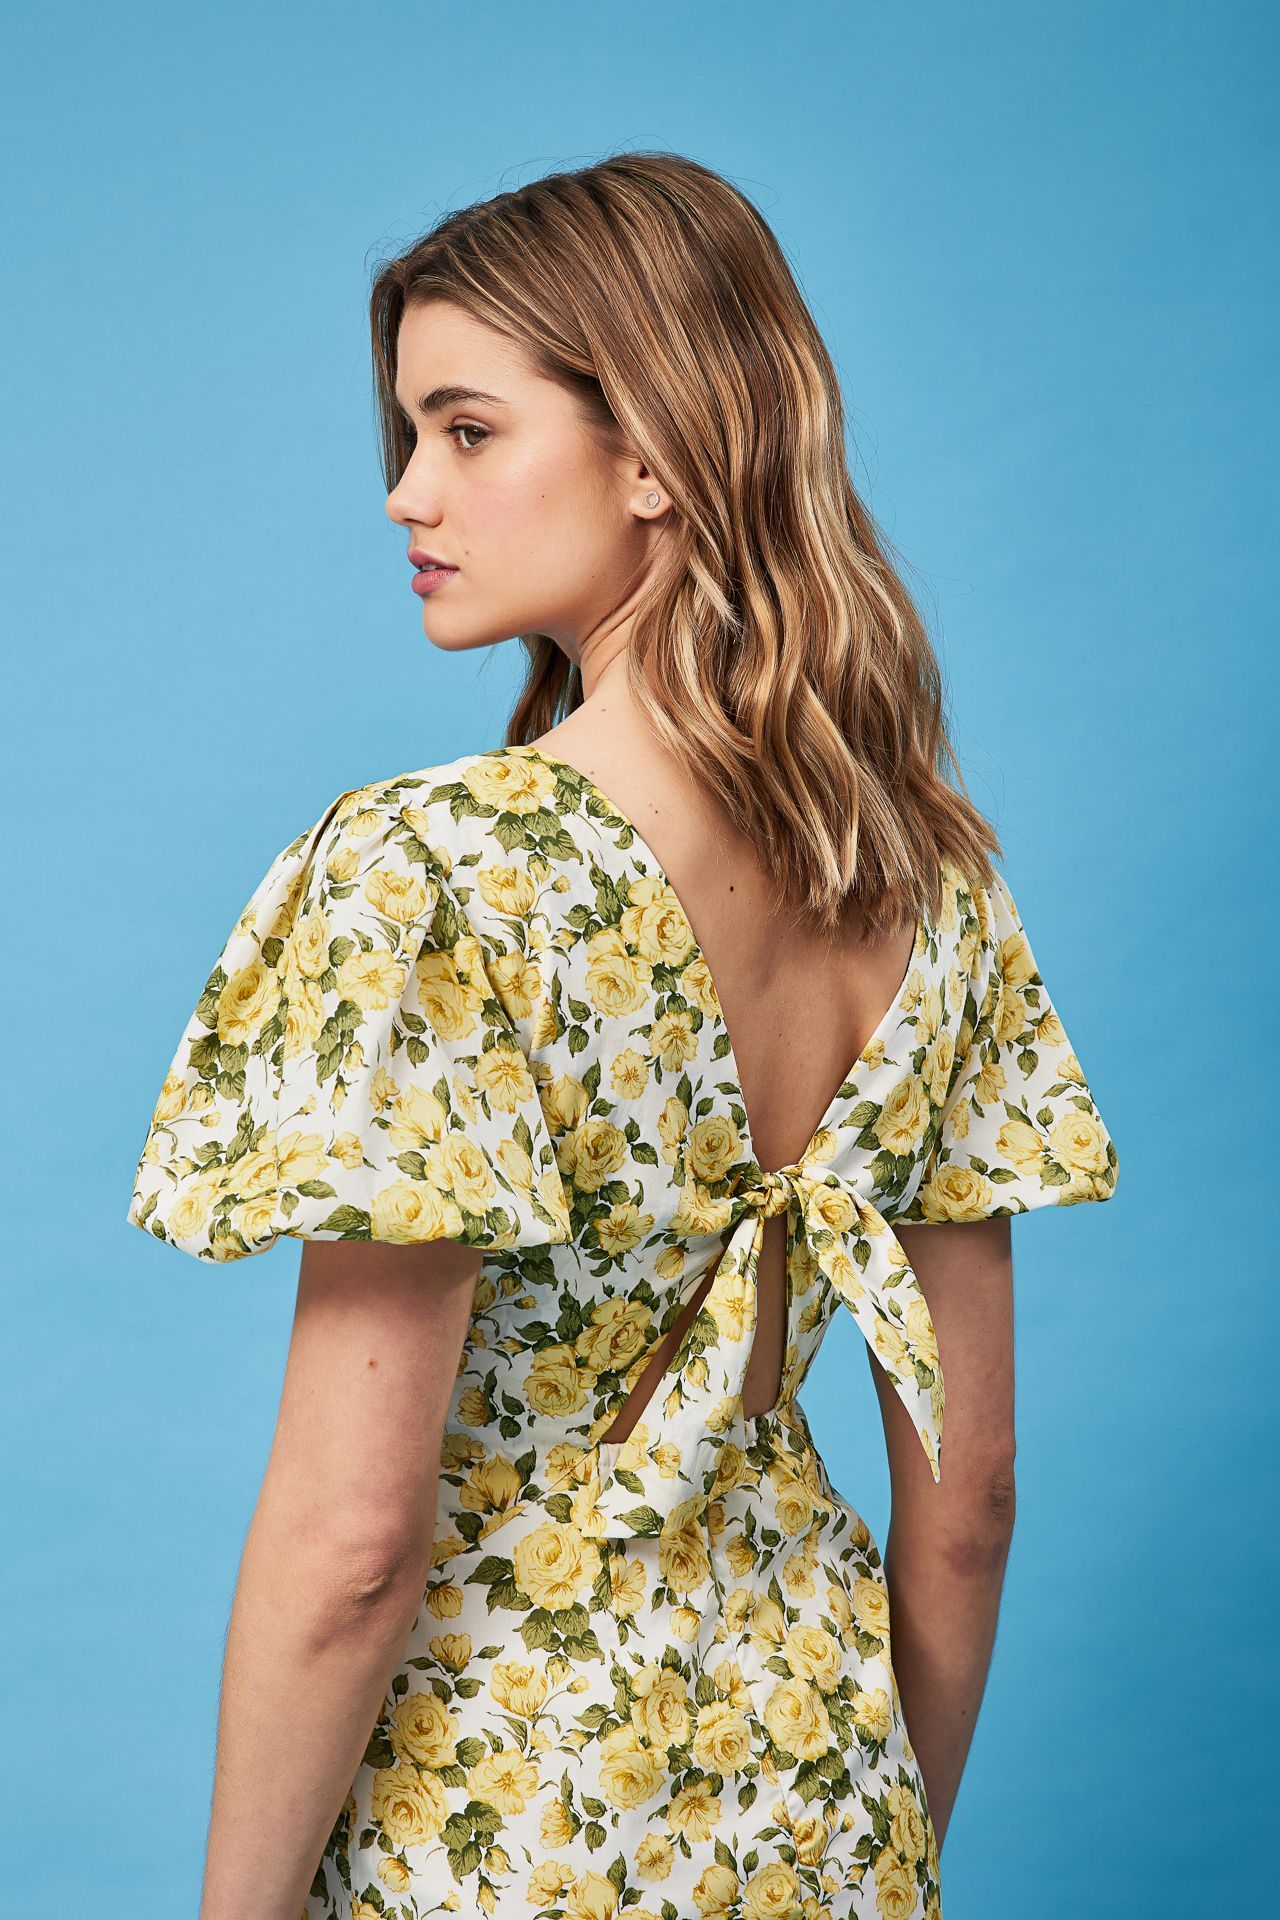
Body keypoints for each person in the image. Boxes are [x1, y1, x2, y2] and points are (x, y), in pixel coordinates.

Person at [126, 152, 1120, 1920]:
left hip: (495, 1832)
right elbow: (971, 1503)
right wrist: (874, 1835)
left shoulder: (437, 876)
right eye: (406, 437)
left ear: (656, 451)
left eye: (467, 431)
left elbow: (353, 1548)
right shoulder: (940, 894)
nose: (405, 491)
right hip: (819, 1803)